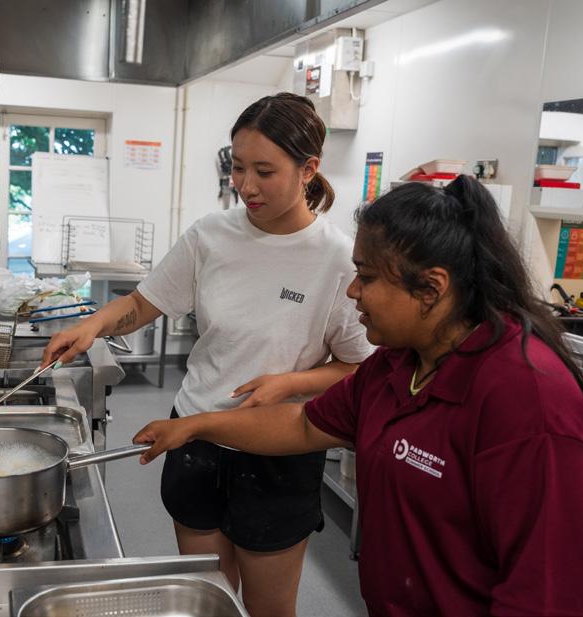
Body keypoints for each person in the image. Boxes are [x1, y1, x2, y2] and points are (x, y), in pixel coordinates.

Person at [133, 175, 583, 616]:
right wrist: (195, 426)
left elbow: (552, 596)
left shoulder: (529, 402)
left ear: (431, 288)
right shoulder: (398, 364)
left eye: (368, 276)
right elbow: (305, 424)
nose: (353, 291)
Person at [41, 92, 373, 617]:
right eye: (238, 167)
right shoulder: (211, 235)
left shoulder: (337, 259)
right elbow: (143, 303)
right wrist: (93, 324)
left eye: (264, 171)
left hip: (278, 451)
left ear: (308, 169)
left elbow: (358, 367)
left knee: (267, 608)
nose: (246, 186)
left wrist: (290, 384)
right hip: (194, 437)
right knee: (207, 600)